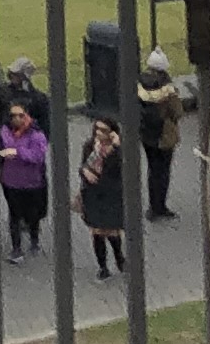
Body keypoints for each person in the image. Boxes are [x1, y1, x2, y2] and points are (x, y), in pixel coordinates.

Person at [77, 117, 129, 281]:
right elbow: (84, 164)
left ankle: (119, 258)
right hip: (93, 193)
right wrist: (84, 171)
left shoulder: (118, 150)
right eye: (97, 129)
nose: (99, 133)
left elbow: (121, 168)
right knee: (97, 232)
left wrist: (115, 146)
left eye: (104, 130)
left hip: (111, 193)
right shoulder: (90, 146)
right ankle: (103, 266)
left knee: (112, 231)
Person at [0, 101, 50, 261]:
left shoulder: (37, 135)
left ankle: (34, 239)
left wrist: (17, 152)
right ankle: (16, 248)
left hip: (32, 182)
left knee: (32, 214)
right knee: (14, 214)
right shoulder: (4, 131)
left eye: (21, 115)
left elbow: (37, 157)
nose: (16, 119)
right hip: (11, 181)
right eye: (13, 115)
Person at [137, 51, 183, 221]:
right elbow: (177, 111)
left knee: (152, 169)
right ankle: (160, 207)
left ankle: (152, 206)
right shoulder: (167, 87)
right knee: (163, 171)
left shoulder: (140, 82)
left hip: (146, 132)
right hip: (164, 134)